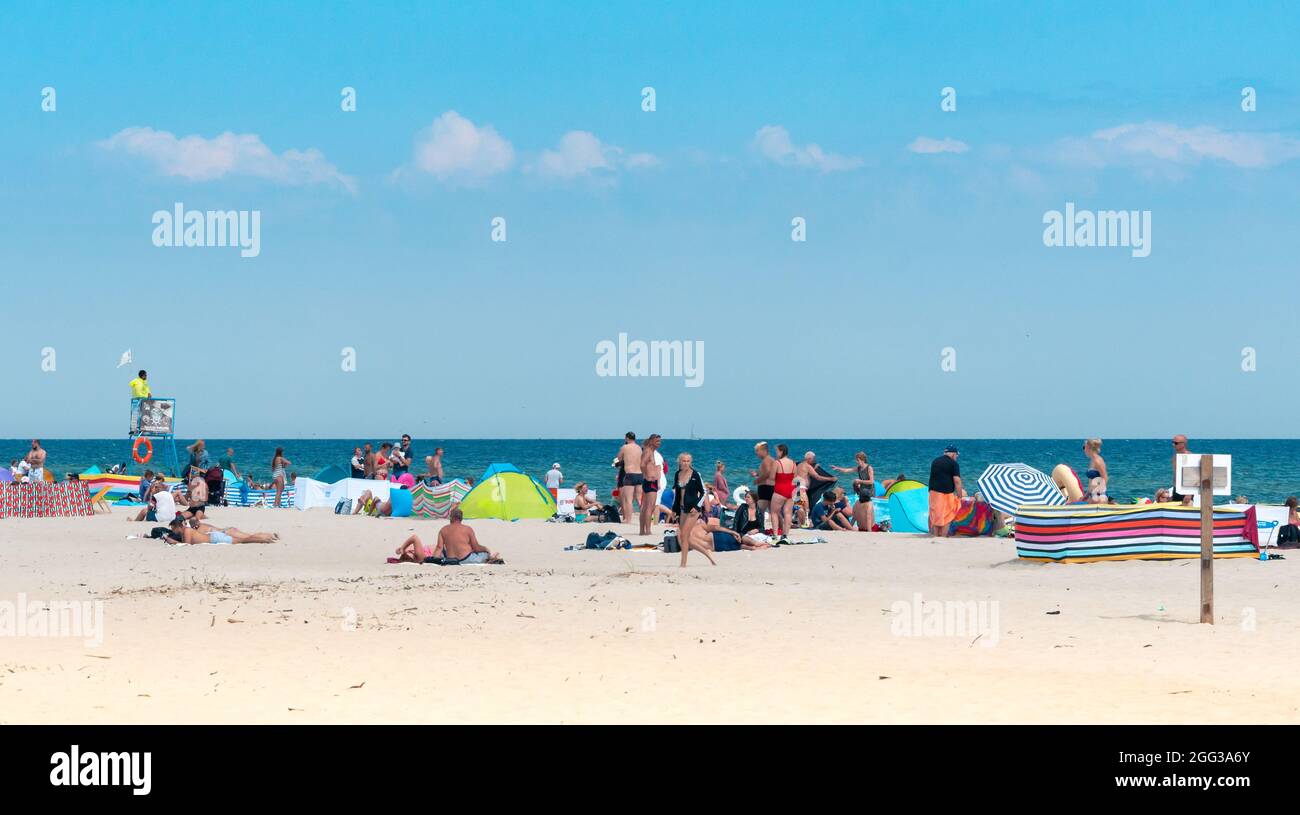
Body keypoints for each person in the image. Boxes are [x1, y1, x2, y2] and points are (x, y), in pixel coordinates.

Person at [396, 508, 501, 563]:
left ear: (451, 518)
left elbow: (439, 548)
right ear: (461, 519)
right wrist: (486, 549)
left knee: (469, 549)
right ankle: (491, 557)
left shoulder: (443, 530)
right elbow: (476, 547)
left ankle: (490, 557)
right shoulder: (468, 529)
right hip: (465, 558)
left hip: (451, 558)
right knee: (484, 554)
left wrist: (435, 560)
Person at [671, 452, 716, 567]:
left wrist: (696, 507)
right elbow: (677, 494)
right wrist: (674, 509)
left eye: (688, 461)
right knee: (685, 537)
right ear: (679, 462)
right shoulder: (677, 474)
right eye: (683, 461)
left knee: (684, 535)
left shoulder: (695, 475)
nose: (686, 463)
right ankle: (707, 553)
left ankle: (683, 564)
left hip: (693, 511)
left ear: (690, 462)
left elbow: (703, 492)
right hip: (682, 509)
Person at [927, 446, 964, 538]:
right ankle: (943, 536)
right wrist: (959, 494)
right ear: (953, 454)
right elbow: (957, 480)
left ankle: (935, 535)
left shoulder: (935, 461)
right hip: (946, 493)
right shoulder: (953, 464)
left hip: (933, 492)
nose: (956, 457)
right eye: (956, 455)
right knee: (947, 515)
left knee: (936, 514)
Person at [168, 518, 277, 545]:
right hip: (216, 536)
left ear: (178, 526)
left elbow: (186, 545)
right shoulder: (187, 530)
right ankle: (268, 537)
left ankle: (264, 539)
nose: (173, 531)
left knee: (244, 540)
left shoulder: (187, 531)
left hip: (217, 537)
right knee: (245, 538)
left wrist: (173, 542)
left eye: (173, 529)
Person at [614, 432, 642, 531]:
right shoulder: (639, 448)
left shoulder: (625, 447)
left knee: (628, 499)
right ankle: (644, 518)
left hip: (630, 474)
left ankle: (628, 520)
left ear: (627, 438)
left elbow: (619, 458)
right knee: (639, 499)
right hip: (639, 474)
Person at [770, 444, 797, 536]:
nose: (776, 453)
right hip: (791, 490)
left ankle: (775, 535)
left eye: (777, 451)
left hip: (780, 489)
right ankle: (785, 535)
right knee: (788, 513)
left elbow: (772, 477)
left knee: (774, 512)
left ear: (781, 451)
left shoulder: (777, 462)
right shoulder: (793, 463)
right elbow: (795, 478)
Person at [639, 434, 663, 535]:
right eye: (657, 441)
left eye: (659, 441)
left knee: (645, 507)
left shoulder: (649, 451)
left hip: (649, 482)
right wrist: (647, 475)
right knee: (650, 507)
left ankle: (642, 531)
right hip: (650, 482)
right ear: (652, 441)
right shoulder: (648, 451)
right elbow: (642, 464)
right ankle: (647, 530)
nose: (659, 443)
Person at [751, 442, 777, 520]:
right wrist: (757, 474)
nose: (756, 453)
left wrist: (757, 480)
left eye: (757, 451)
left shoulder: (767, 460)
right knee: (773, 511)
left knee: (759, 510)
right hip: (768, 487)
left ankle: (759, 527)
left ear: (764, 450)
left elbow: (768, 473)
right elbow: (767, 472)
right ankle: (779, 529)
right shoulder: (768, 460)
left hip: (766, 487)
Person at [1083, 438, 1107, 503]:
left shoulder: (1098, 461)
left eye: (1084, 447)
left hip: (1098, 497)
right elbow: (1091, 481)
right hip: (1092, 496)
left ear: (1088, 447)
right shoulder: (1092, 460)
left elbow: (1105, 478)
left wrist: (1098, 494)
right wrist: (1087, 494)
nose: (1084, 450)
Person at [1170, 434, 1192, 502]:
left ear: (1183, 444)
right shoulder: (1175, 456)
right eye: (1172, 442)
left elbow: (1192, 476)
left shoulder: (1189, 457)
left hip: (1186, 491)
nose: (1173, 445)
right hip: (1176, 489)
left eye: (1176, 443)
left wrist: (1189, 493)